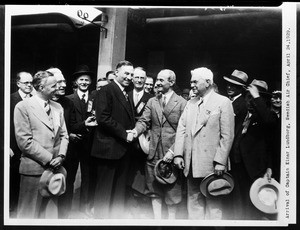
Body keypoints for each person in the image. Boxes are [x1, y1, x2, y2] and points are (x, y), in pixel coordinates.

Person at [173, 67, 235, 220]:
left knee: (214, 206)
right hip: (191, 164)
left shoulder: (223, 102)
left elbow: (227, 136)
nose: (192, 84)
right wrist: (178, 154)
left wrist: (220, 161)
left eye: (195, 81)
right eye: (191, 82)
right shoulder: (191, 103)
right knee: (193, 205)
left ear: (208, 82)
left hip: (212, 166)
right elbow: (182, 129)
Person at [131, 69, 187, 219]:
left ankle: (171, 222)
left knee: (172, 189)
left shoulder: (182, 103)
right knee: (153, 188)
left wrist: (174, 152)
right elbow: (144, 121)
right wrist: (135, 132)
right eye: (157, 80)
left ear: (172, 82)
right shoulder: (152, 101)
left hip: (171, 153)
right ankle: (157, 221)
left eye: (162, 80)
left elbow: (185, 131)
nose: (157, 83)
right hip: (153, 152)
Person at [14, 71, 69, 218]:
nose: (58, 88)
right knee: (28, 214)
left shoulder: (58, 107)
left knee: (50, 214)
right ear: (40, 87)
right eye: (53, 85)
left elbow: (64, 135)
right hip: (33, 170)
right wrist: (50, 158)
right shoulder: (23, 107)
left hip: (55, 170)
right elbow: (24, 141)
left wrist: (61, 156)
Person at [90, 60, 135, 219]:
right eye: (126, 74)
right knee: (105, 191)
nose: (129, 77)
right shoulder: (107, 90)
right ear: (116, 73)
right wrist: (125, 133)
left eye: (131, 74)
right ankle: (101, 221)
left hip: (122, 149)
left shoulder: (125, 92)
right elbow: (103, 118)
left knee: (117, 191)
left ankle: (114, 221)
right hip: (109, 149)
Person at [230, 79, 278, 220]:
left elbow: (270, 138)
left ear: (261, 100)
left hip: (255, 169)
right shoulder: (242, 116)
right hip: (237, 166)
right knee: (239, 205)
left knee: (254, 207)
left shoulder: (268, 117)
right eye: (248, 97)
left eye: (253, 98)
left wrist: (257, 96)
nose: (250, 101)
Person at [66, 65, 98, 218]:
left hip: (89, 143)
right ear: (76, 82)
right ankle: (66, 207)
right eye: (81, 80)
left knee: (88, 176)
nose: (84, 82)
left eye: (87, 80)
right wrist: (73, 132)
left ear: (90, 82)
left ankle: (84, 206)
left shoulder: (95, 98)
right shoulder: (68, 99)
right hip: (73, 143)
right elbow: (67, 123)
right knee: (70, 175)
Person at [46, 67, 76, 218]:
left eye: (64, 81)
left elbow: (69, 128)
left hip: (65, 154)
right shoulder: (37, 103)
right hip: (44, 157)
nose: (64, 85)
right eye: (59, 82)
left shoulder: (68, 103)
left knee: (65, 187)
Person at [222, 69, 249, 220]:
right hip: (228, 152)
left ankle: (238, 220)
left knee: (236, 189)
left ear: (241, 89)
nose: (230, 88)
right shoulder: (229, 101)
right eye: (228, 85)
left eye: (234, 86)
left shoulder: (242, 104)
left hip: (234, 153)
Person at [127, 67, 153, 218]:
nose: (138, 80)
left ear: (145, 80)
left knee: (143, 173)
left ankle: (143, 203)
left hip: (144, 141)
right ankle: (129, 202)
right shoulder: (125, 95)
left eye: (141, 78)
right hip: (128, 140)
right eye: (136, 77)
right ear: (132, 79)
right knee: (128, 171)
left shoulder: (151, 97)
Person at [10, 71, 33, 217]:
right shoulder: (10, 99)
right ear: (18, 83)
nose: (29, 85)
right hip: (14, 147)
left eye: (31, 82)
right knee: (14, 178)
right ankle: (12, 209)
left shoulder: (35, 99)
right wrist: (7, 146)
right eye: (26, 83)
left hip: (30, 147)